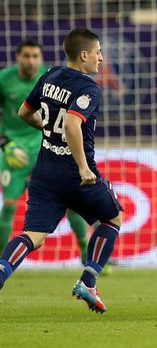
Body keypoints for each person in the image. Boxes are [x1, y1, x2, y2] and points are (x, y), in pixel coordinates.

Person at [0, 28, 123, 314]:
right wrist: (82, 167)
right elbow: (71, 124)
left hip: (45, 171)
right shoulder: (89, 88)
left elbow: (24, 112)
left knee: (34, 235)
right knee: (112, 218)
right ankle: (89, 280)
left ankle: (3, 269)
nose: (101, 58)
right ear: (84, 55)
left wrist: (46, 132)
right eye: (98, 52)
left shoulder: (49, 76)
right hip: (74, 173)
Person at [0, 39, 90, 263]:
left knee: (69, 201)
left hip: (46, 147)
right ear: (18, 57)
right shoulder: (4, 79)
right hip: (14, 150)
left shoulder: (50, 78)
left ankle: (87, 255)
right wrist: (4, 142)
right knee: (10, 205)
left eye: (34, 57)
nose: (30, 61)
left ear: (40, 59)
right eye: (26, 56)